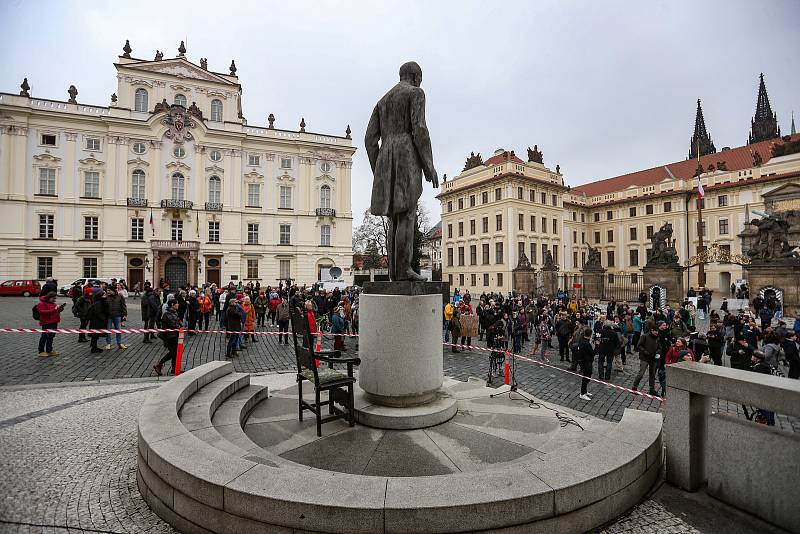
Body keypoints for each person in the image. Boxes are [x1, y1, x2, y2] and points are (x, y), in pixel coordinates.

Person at [153, 299, 181, 376]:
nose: (178, 305)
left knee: (175, 353)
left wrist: (181, 326)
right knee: (173, 352)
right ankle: (159, 364)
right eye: (177, 303)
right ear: (172, 304)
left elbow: (178, 322)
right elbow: (174, 325)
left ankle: (174, 369)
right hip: (170, 336)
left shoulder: (173, 313)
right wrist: (181, 327)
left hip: (174, 335)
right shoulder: (167, 314)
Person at [35, 292, 65, 357]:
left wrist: (60, 309)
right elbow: (42, 312)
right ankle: (41, 351)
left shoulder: (53, 303)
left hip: (54, 322)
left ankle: (49, 350)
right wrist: (54, 309)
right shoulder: (41, 304)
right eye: (54, 298)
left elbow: (55, 311)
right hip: (46, 322)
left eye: (55, 298)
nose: (55, 300)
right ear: (49, 297)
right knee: (44, 337)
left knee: (51, 337)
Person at [633, 325, 660, 395]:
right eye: (655, 332)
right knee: (641, 373)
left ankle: (652, 389)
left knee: (652, 374)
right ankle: (634, 386)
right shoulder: (644, 336)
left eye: (657, 332)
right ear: (652, 330)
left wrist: (657, 353)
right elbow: (639, 345)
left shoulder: (657, 338)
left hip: (653, 358)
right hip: (644, 358)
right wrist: (646, 352)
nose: (657, 333)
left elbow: (659, 348)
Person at [104, 286, 128, 350]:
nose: (107, 292)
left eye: (109, 290)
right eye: (107, 290)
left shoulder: (120, 296)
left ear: (113, 290)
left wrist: (125, 314)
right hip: (108, 316)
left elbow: (123, 305)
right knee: (108, 330)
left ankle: (119, 343)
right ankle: (108, 344)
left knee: (118, 330)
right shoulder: (106, 297)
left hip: (117, 315)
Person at [576, 328, 595, 401]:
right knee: (586, 377)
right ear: (590, 335)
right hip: (586, 362)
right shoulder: (586, 343)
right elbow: (592, 353)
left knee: (587, 376)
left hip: (583, 361)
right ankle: (582, 393)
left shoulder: (583, 340)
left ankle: (585, 391)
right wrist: (597, 346)